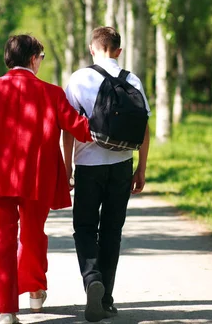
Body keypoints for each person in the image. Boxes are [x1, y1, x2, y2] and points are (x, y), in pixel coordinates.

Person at [0, 34, 92, 324]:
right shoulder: (52, 92)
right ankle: (34, 292)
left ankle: (6, 310)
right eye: (41, 57)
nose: (41, 62)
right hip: (37, 179)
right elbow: (80, 128)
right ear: (33, 59)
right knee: (33, 234)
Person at [63, 26, 151, 322]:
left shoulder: (79, 78)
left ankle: (92, 280)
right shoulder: (133, 79)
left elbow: (68, 128)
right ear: (118, 50)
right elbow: (144, 127)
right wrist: (142, 168)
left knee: (85, 228)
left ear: (92, 48)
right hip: (122, 165)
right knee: (112, 231)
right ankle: (107, 299)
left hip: (88, 166)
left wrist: (67, 167)